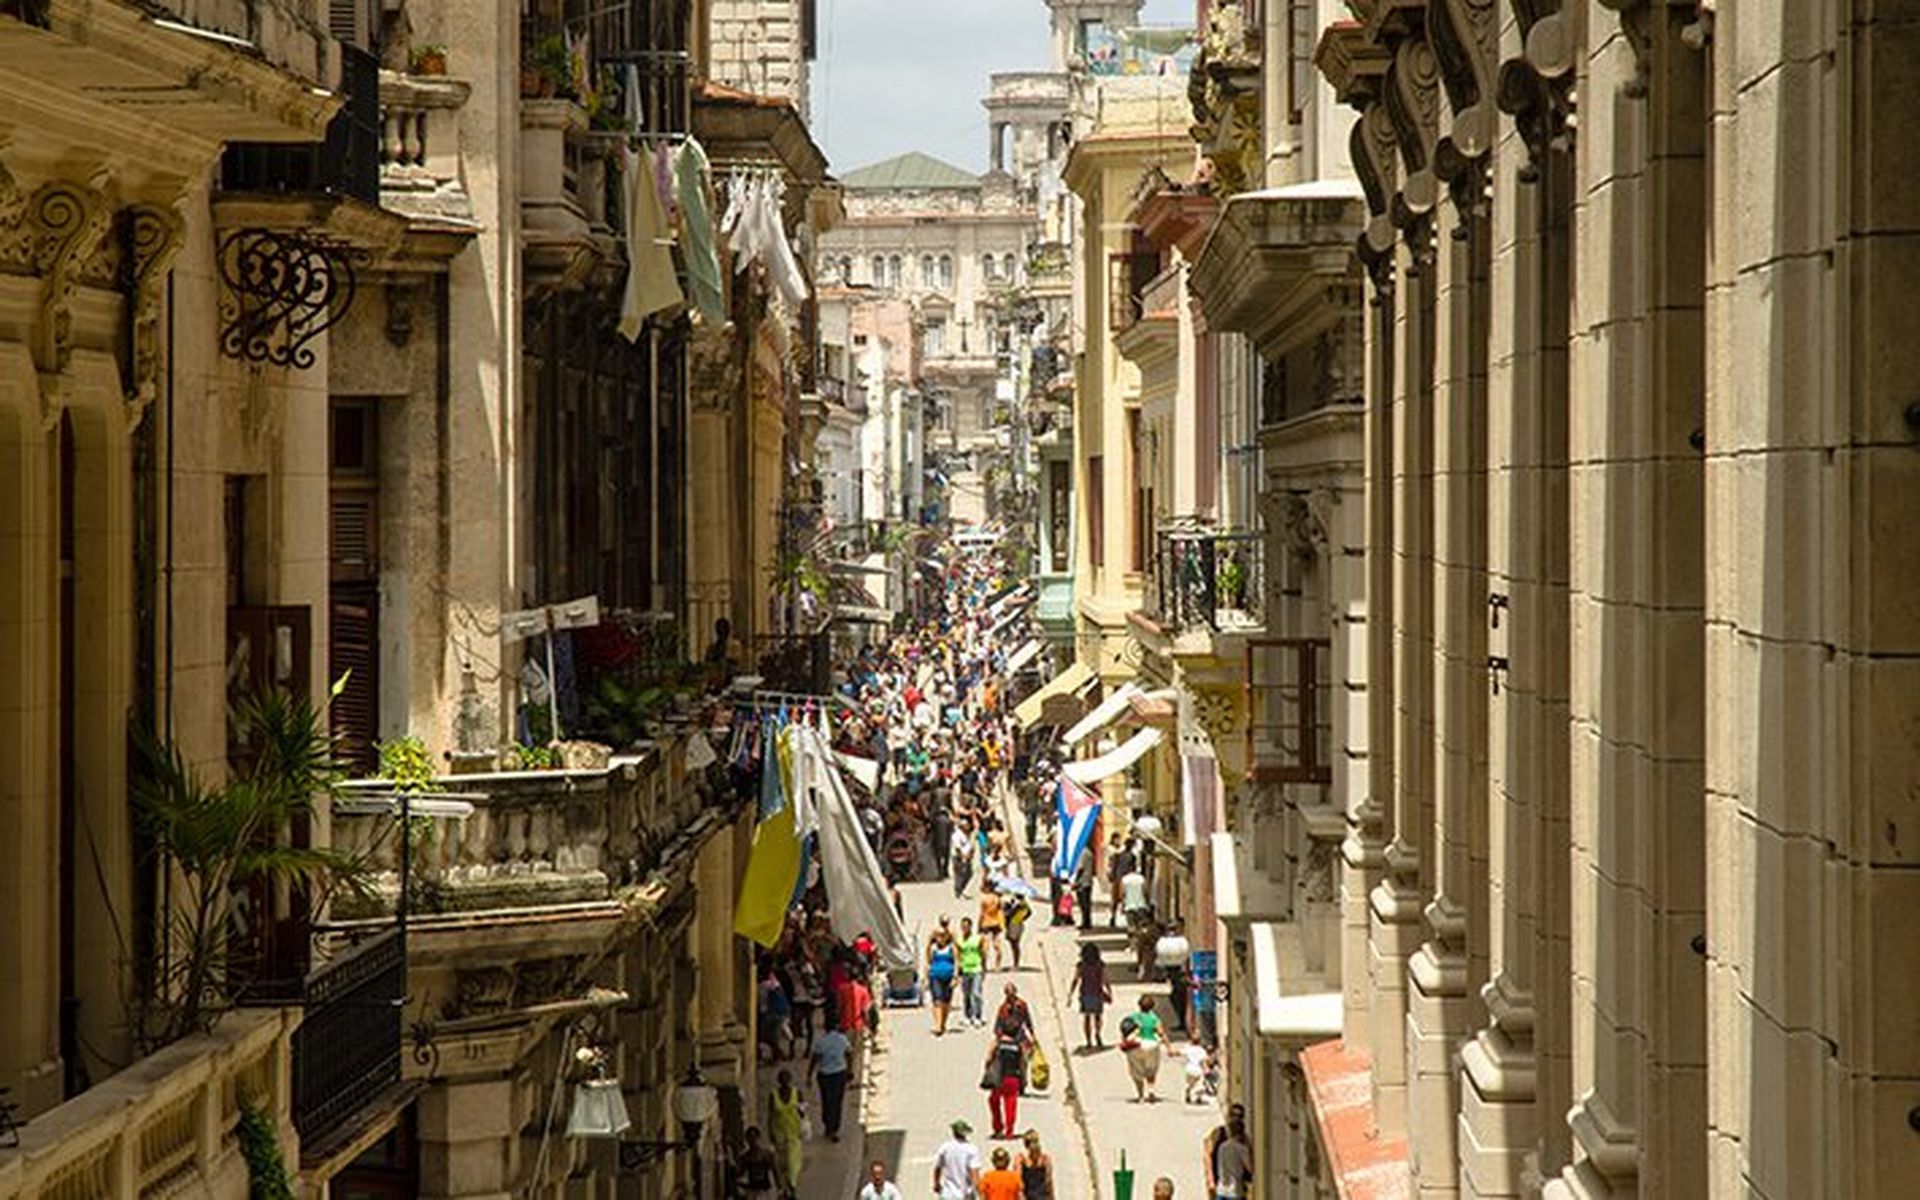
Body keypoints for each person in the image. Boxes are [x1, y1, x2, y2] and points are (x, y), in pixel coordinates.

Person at [811, 1016, 852, 1142]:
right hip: (839, 1074)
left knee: (826, 1100)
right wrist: (850, 1070)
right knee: (837, 1101)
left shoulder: (821, 1041)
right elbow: (849, 1054)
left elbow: (815, 1059)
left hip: (825, 1075)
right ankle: (834, 1127)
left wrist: (809, 1075)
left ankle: (828, 1125)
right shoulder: (842, 1039)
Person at [767, 1069, 805, 1198]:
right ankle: (783, 1189)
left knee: (792, 1164)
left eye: (786, 1079)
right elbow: (770, 1115)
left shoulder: (797, 1093)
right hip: (779, 1134)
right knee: (781, 1164)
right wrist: (770, 1133)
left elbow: (803, 1110)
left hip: (794, 1134)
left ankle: (792, 1187)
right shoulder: (773, 1095)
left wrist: (803, 1121)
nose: (784, 1082)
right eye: (782, 1079)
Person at [1120, 995, 1164, 1102]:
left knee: (1136, 1070)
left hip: (1137, 1046)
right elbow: (1160, 1032)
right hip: (1151, 1045)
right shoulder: (1155, 1018)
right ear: (1152, 1006)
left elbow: (1125, 1031)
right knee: (1151, 1069)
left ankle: (1140, 1095)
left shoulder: (1133, 1017)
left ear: (1139, 1005)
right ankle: (1151, 1091)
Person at [1071, 942, 1112, 1049]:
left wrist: (1070, 994)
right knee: (1098, 1016)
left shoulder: (1081, 965)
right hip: (1097, 993)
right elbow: (1105, 979)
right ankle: (1098, 1034)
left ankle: (1088, 1041)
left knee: (1087, 1017)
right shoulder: (1100, 964)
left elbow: (1075, 979)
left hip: (1085, 993)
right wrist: (1109, 991)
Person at [1207, 1108, 1255, 1199]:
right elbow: (1250, 1168)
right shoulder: (1241, 1149)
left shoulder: (1222, 1147)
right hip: (1235, 1191)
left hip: (1221, 1189)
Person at [934, 1119, 984, 1200]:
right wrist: (979, 1192)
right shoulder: (972, 1149)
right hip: (965, 1194)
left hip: (948, 1194)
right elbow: (974, 1174)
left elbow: (937, 1168)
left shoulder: (945, 1147)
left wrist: (936, 1183)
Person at [927, 919, 959, 1035]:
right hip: (935, 975)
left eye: (943, 935)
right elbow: (928, 962)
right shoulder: (933, 948)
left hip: (948, 976)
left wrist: (955, 977)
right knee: (937, 1001)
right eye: (938, 935)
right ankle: (937, 1025)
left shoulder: (952, 947)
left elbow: (956, 962)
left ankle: (943, 1023)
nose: (941, 938)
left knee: (946, 1002)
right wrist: (926, 977)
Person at [957, 916, 988, 1027]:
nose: (964, 928)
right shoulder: (959, 940)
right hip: (965, 969)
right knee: (966, 994)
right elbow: (958, 956)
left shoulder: (978, 939)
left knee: (976, 993)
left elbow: (983, 953)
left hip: (976, 968)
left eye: (966, 926)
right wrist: (957, 972)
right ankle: (967, 1015)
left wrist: (984, 967)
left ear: (970, 927)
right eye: (963, 926)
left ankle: (978, 1015)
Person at [734, 1126, 778, 1200]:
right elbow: (739, 1174)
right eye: (750, 1138)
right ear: (747, 1140)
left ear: (758, 1138)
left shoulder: (766, 1154)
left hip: (765, 1190)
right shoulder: (745, 1157)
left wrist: (779, 1188)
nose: (753, 1141)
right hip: (752, 1190)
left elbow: (775, 1170)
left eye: (754, 1137)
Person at [1015, 1129, 1055, 1200]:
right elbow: (1049, 1182)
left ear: (1025, 1144)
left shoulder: (1021, 1160)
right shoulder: (1045, 1159)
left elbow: (1018, 1181)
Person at [1108, 838, 1137, 928]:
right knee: (1125, 900)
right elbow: (1132, 868)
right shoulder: (1130, 856)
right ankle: (1114, 918)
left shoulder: (1119, 855)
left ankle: (1114, 918)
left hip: (1120, 878)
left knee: (1116, 900)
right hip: (1124, 879)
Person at [978, 880, 1006, 970]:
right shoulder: (997, 898)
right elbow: (1001, 912)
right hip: (996, 923)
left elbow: (982, 913)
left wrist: (979, 925)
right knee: (997, 945)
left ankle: (984, 966)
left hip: (986, 923)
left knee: (985, 946)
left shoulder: (984, 899)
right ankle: (998, 966)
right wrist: (1002, 924)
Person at [1003, 887, 1032, 970]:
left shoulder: (1019, 904)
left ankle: (1016, 964)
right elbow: (1029, 912)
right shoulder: (1021, 903)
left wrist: (1008, 908)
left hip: (1015, 924)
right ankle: (1015, 963)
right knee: (1014, 944)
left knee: (1015, 945)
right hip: (1015, 923)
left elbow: (1009, 913)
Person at [951, 818, 977, 898]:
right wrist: (963, 856)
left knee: (969, 873)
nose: (968, 827)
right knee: (960, 874)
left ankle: (962, 889)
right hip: (959, 857)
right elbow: (957, 847)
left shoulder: (966, 834)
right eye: (966, 825)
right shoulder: (956, 835)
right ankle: (958, 891)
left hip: (967, 857)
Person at [1072, 850, 1096, 932]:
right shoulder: (1089, 852)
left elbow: (1080, 868)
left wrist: (1075, 880)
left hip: (1082, 882)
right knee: (1087, 903)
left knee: (1083, 904)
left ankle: (1085, 922)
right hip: (1088, 880)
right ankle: (1087, 922)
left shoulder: (1082, 853)